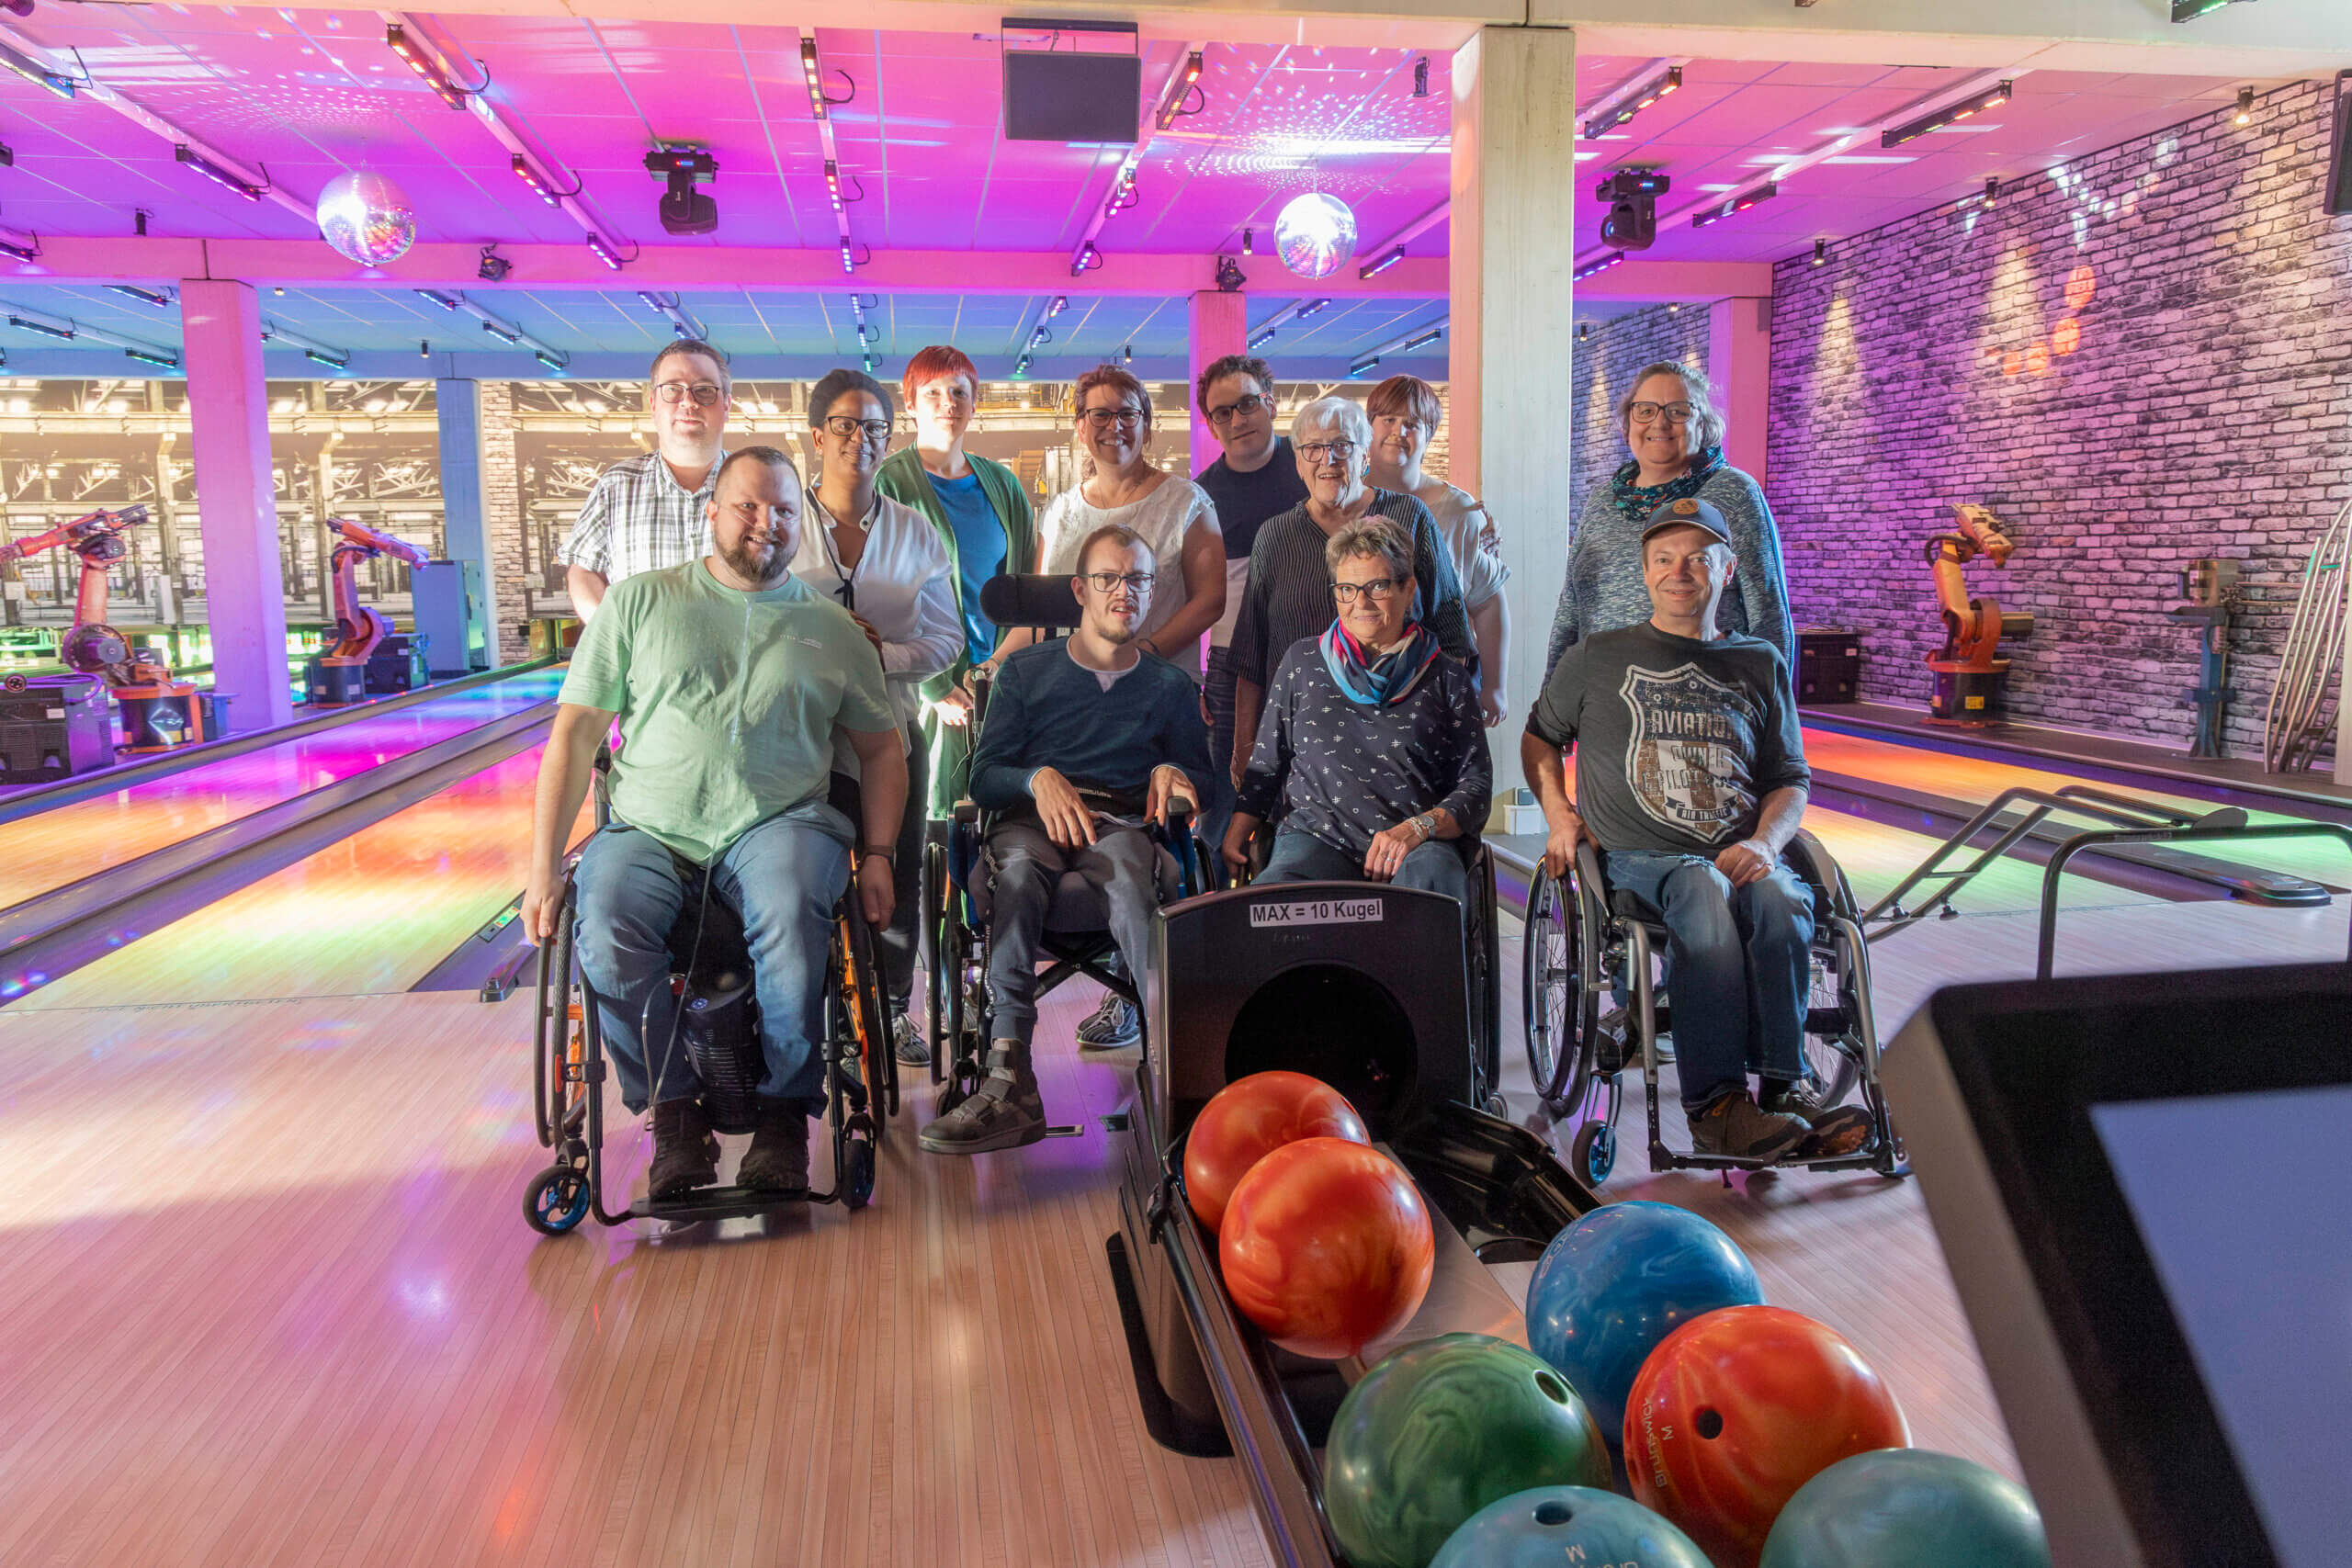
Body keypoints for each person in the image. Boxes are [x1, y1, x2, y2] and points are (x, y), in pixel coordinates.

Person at [522, 446, 908, 1199]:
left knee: (794, 905)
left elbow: (883, 748)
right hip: (649, 830)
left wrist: (884, 853)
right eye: (749, 506)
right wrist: (541, 870)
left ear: (805, 525)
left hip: (781, 821)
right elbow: (573, 736)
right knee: (601, 919)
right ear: (711, 512)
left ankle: (782, 1115)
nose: (768, 523)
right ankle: (673, 1114)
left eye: (786, 511)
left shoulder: (833, 629)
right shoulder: (638, 603)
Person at [1519, 499, 1870, 1164]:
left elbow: (1790, 777)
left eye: (1697, 559)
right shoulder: (1598, 656)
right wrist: (1560, 813)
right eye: (1663, 559)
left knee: (1783, 898)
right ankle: (1715, 1107)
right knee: (1703, 886)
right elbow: (1538, 739)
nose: (1679, 572)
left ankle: (1783, 1089)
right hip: (1640, 860)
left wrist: (1767, 843)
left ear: (1727, 569)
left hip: (1740, 853)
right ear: (1646, 572)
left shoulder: (1758, 661)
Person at [917, 525, 1210, 1156]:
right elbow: (982, 777)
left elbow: (1204, 780)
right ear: (1080, 588)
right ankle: (1008, 1077)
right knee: (1017, 875)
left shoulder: (1169, 687)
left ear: (1153, 590)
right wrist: (1036, 775)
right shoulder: (1024, 671)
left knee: (1135, 877)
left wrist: (1175, 773)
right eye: (1108, 578)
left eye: (1138, 580)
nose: (1123, 592)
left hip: (1122, 825)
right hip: (1029, 822)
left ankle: (1175, 1074)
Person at [1012, 364, 1226, 1050]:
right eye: (1099, 415)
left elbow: (1209, 597)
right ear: (1080, 426)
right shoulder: (1064, 509)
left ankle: (1153, 1010)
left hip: (1157, 695)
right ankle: (1117, 998)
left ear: (1147, 422)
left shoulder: (1184, 499)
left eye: (1127, 412)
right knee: (1081, 821)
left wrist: (1145, 656)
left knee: (1143, 830)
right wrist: (1000, 662)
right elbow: (1048, 609)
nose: (1114, 426)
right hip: (1081, 700)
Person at [794, 367, 960, 1069]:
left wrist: (878, 653)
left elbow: (949, 640)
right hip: (799, 743)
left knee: (895, 875)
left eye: (875, 428)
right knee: (812, 875)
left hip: (891, 735)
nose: (861, 440)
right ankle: (819, 1013)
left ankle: (892, 1011)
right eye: (846, 425)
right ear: (816, 435)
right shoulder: (784, 523)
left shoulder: (917, 533)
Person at [1227, 518, 1490, 931]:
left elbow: (1475, 786)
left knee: (1433, 892)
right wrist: (1238, 832)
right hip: (1317, 838)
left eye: (1378, 586)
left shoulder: (1446, 678)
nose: (1360, 602)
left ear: (1409, 589)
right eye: (1347, 589)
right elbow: (1266, 765)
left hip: (1416, 842)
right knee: (1275, 904)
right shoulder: (1302, 663)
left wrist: (1418, 829)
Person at [1229, 396, 1472, 796]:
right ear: (1298, 463)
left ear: (1364, 457)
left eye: (1342, 446)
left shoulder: (1409, 517)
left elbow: (1451, 630)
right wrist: (1245, 749)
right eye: (1313, 448)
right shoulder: (1274, 536)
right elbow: (1252, 653)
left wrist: (1436, 725)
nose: (1328, 460)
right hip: (1299, 747)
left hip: (1397, 745)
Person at [1544, 361, 1792, 677]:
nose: (1659, 423)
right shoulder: (1602, 500)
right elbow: (1571, 610)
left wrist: (1772, 709)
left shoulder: (1732, 491)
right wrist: (1552, 701)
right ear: (1627, 424)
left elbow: (1768, 612)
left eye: (1678, 411)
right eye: (1645, 411)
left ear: (1702, 425)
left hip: (1705, 698)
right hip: (1603, 698)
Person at [874, 346, 1038, 820]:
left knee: (1000, 818)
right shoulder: (890, 484)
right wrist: (935, 685)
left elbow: (1023, 589)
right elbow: (885, 595)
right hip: (923, 685)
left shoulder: (1003, 486)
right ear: (911, 404)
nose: (948, 403)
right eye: (933, 393)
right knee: (934, 818)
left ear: (974, 401)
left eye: (959, 392)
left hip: (998, 680)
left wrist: (993, 668)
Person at [1193, 354, 1310, 863]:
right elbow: (1188, 595)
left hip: (1315, 658)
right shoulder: (1202, 495)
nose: (1238, 419)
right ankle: (1221, 919)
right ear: (1210, 423)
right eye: (1223, 412)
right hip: (1231, 665)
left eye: (1247, 404)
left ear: (1271, 401)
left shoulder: (1313, 464)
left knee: (1308, 788)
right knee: (1228, 795)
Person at [1366, 374, 1511, 728]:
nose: (1399, 431)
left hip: (1439, 683)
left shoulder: (1459, 509)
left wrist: (1494, 685)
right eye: (1389, 419)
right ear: (1368, 426)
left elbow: (1488, 601)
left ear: (1429, 434)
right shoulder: (1346, 503)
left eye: (1412, 424)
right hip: (1361, 682)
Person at [558, 338, 733, 618]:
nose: (688, 401)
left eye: (704, 390)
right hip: (641, 661)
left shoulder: (755, 486)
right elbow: (583, 570)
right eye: (673, 390)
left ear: (726, 405)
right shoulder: (616, 486)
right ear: (653, 403)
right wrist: (613, 637)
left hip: (735, 660)